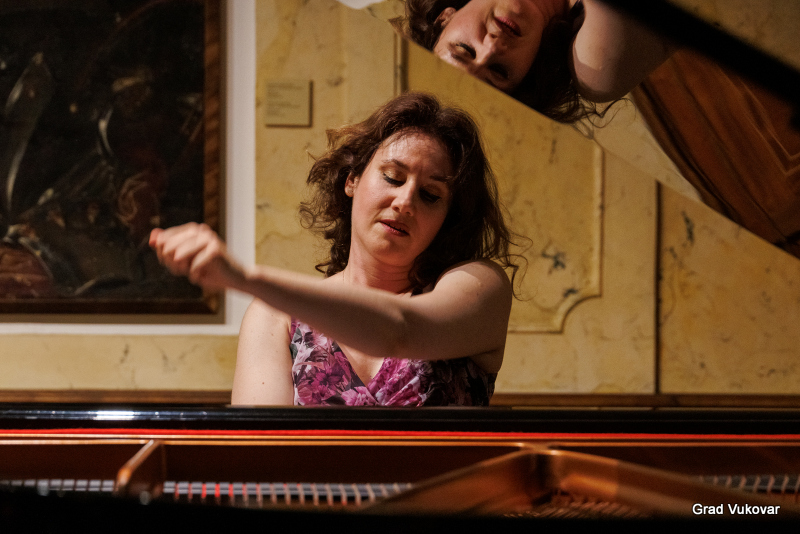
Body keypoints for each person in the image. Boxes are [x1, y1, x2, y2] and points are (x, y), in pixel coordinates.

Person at [149, 92, 521, 407]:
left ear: (448, 218)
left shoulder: (481, 286)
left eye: (430, 194)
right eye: (393, 177)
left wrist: (245, 277)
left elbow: (400, 329)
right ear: (352, 179)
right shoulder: (274, 317)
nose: (405, 202)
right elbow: (260, 452)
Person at [395, 0, 676, 122]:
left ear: (445, 17)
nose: (492, 47)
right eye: (499, 71)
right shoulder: (594, 66)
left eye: (465, 50)